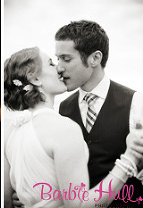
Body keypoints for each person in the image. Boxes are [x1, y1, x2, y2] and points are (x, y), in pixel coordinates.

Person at [2, 47, 143, 208]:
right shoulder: (64, 129)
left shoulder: (10, 131)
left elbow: (5, 201)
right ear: (35, 79)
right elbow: (80, 205)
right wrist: (130, 157)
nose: (59, 68)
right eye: (51, 63)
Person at [54, 20, 143, 206]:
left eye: (66, 59)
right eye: (57, 59)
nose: (59, 68)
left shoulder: (136, 102)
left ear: (95, 58)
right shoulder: (62, 109)